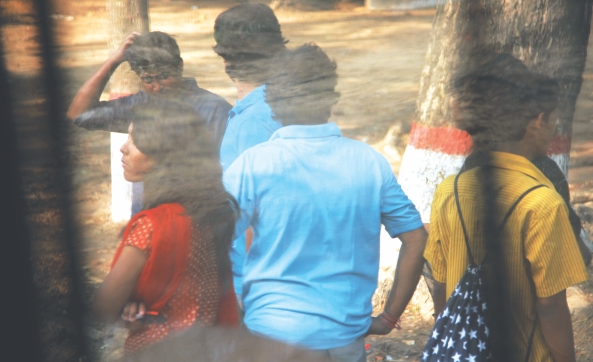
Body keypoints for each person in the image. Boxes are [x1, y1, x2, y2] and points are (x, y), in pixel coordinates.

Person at [223, 44, 427, 361]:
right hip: (345, 338)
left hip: (272, 338)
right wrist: (388, 318)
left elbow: (209, 238)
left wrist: (234, 307)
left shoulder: (252, 165)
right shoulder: (369, 162)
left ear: (272, 102)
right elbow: (415, 237)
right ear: (331, 98)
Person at [424, 54, 588, 362]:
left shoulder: (449, 191)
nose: (554, 129)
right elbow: (550, 306)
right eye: (553, 120)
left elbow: (440, 284)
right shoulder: (542, 202)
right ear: (538, 120)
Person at [93, 105, 239, 354]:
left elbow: (104, 307)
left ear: (165, 156)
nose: (123, 147)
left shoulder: (152, 225)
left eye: (135, 141)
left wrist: (127, 306)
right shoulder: (209, 213)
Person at [67, 31, 232, 215]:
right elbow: (79, 114)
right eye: (148, 79)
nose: (157, 86)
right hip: (150, 215)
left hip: (198, 214)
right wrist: (114, 60)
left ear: (179, 67)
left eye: (164, 76)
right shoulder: (142, 105)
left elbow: (229, 172)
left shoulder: (214, 109)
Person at [212, 3, 287, 298]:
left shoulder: (252, 122)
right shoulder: (277, 105)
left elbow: (257, 209)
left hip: (253, 282)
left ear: (226, 59)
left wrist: (249, 291)